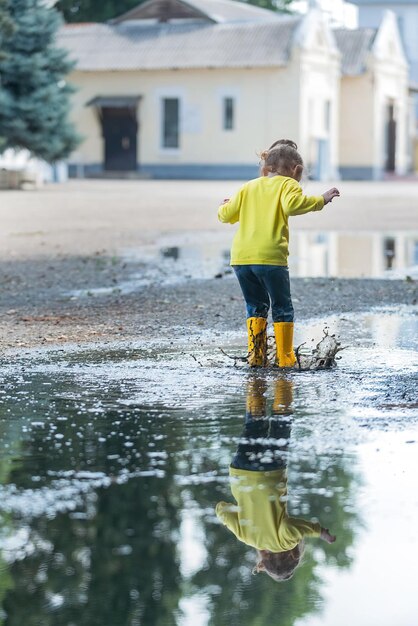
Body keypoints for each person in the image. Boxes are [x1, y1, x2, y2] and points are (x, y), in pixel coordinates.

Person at [218, 141, 340, 367]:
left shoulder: (248, 187)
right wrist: (321, 200)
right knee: (282, 306)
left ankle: (256, 357)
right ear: (297, 170)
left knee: (256, 306)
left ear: (267, 167)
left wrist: (225, 205)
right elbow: (293, 205)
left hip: (242, 260)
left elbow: (226, 215)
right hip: (271, 259)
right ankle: (285, 359)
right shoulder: (288, 185)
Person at [215, 376, 336, 582]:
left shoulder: (285, 543)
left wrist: (318, 531)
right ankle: (255, 381)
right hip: (241, 472)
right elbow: (221, 509)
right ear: (262, 559)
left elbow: (293, 529)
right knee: (253, 426)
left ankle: (284, 381)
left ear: (293, 554)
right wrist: (244, 508)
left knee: (281, 427)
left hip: (271, 473)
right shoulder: (246, 537)